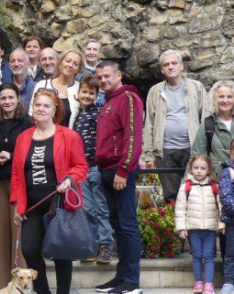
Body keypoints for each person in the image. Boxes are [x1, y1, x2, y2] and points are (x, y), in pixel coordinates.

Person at [11, 89, 89, 294]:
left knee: (62, 252)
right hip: (32, 205)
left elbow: (81, 166)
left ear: (55, 110)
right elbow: (17, 175)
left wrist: (69, 180)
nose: (41, 109)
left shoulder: (69, 136)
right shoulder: (23, 138)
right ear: (32, 108)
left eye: (46, 106)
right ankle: (43, 291)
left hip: (59, 204)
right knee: (29, 249)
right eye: (38, 105)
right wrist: (18, 206)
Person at [93, 60, 144, 294]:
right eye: (100, 77)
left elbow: (132, 137)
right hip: (106, 169)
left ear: (119, 75)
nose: (103, 80)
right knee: (117, 225)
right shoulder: (109, 102)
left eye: (107, 76)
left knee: (127, 225)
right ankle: (121, 277)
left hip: (119, 170)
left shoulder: (128, 99)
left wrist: (124, 169)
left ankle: (132, 281)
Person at [142, 50, 207, 202]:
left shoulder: (196, 88)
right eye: (166, 64)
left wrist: (204, 150)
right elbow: (149, 124)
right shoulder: (155, 91)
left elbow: (205, 119)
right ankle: (173, 225)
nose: (170, 67)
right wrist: (149, 155)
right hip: (164, 150)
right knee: (170, 195)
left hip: (192, 148)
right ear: (162, 69)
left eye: (174, 63)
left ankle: (192, 225)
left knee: (194, 192)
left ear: (181, 66)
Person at [0, 83, 32, 291]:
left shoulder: (27, 122)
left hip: (18, 181)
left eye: (11, 98)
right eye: (3, 98)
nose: (7, 102)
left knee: (18, 231)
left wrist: (12, 156)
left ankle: (21, 286)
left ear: (18, 98)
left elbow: (32, 150)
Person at [74, 75, 113, 264]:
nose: (87, 96)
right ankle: (92, 244)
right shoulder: (78, 115)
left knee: (101, 207)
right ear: (78, 93)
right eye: (84, 92)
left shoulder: (99, 112)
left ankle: (105, 244)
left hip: (96, 167)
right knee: (88, 208)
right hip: (81, 169)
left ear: (98, 95)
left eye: (91, 93)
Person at [175, 154, 221, 294]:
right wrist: (181, 227)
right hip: (193, 229)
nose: (199, 171)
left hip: (210, 228)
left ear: (208, 170)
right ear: (191, 169)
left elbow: (221, 206)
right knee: (196, 256)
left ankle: (208, 283)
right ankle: (198, 282)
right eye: (196, 168)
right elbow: (180, 208)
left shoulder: (214, 187)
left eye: (203, 168)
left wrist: (222, 224)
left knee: (208, 256)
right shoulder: (186, 187)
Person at [29, 48, 83, 128]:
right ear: (60, 63)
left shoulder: (80, 89)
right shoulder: (42, 85)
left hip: (67, 137)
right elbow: (32, 114)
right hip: (42, 135)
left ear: (78, 70)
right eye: (68, 61)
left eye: (75, 64)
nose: (70, 65)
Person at [192, 80, 234, 172]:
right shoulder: (208, 124)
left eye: (229, 97)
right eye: (221, 96)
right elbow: (196, 156)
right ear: (214, 99)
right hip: (216, 181)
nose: (225, 100)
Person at [219, 142, 234, 294]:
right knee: (230, 253)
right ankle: (229, 282)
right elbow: (225, 196)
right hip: (232, 221)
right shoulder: (227, 172)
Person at [77, 39, 105, 105]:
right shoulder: (78, 66)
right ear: (84, 51)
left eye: (95, 49)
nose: (91, 52)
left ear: (99, 52)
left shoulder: (103, 69)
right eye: (88, 49)